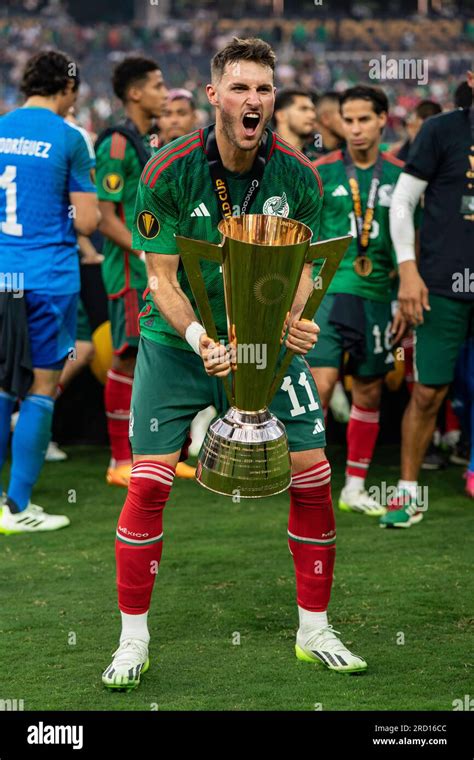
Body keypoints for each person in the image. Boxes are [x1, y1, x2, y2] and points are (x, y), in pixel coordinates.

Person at [101, 37, 367, 692]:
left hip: (263, 344)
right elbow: (159, 277)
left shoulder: (298, 177)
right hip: (178, 342)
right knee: (151, 483)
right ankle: (132, 639)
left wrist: (294, 318)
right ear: (215, 95)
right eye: (241, 87)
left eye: (265, 89)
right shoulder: (166, 172)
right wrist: (197, 337)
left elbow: (307, 265)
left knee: (312, 475)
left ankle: (315, 629)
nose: (255, 100)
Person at [0, 50, 99, 533]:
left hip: (3, 275)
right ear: (67, 89)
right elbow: (87, 220)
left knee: (0, 387)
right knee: (41, 390)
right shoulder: (69, 137)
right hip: (49, 279)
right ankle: (17, 508)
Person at [306, 85, 407, 517]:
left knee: (369, 389)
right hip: (328, 293)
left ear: (383, 119)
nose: (356, 128)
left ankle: (355, 486)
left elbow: (412, 242)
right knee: (320, 387)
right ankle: (309, 483)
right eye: (348, 120)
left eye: (365, 119)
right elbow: (304, 237)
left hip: (379, 295)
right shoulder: (321, 170)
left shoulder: (403, 175)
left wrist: (406, 291)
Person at [385, 69, 474, 528]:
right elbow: (401, 202)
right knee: (428, 393)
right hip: (442, 284)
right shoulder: (442, 129)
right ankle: (406, 494)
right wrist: (407, 270)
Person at [95, 56, 168, 488]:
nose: (164, 92)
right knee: (125, 357)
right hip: (128, 274)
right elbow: (106, 218)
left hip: (152, 272)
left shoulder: (149, 141)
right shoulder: (117, 145)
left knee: (150, 360)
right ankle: (119, 461)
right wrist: (144, 253)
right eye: (157, 86)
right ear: (135, 93)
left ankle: (151, 456)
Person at [273, 87, 317, 153]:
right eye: (303, 109)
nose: (312, 116)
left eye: (313, 110)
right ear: (281, 116)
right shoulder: (260, 157)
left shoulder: (318, 160)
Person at [313, 91, 345, 156]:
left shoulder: (351, 151)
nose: (349, 120)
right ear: (326, 119)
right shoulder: (304, 155)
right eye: (342, 113)